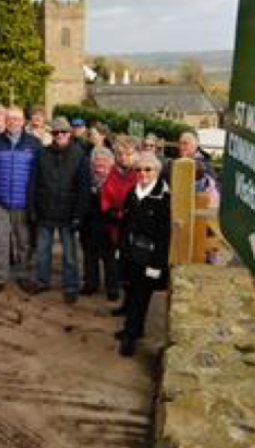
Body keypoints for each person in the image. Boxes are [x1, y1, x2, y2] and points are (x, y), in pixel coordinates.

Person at [0, 105, 43, 296]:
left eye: (17, 119)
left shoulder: (34, 143)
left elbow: (40, 174)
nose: (13, 122)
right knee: (0, 241)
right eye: (10, 119)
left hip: (24, 203)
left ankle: (23, 275)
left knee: (24, 241)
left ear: (23, 121)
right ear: (5, 121)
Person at [115, 152, 171, 357]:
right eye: (139, 169)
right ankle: (134, 329)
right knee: (130, 292)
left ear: (157, 171)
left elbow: (165, 234)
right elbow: (125, 224)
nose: (143, 173)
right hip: (130, 252)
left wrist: (157, 263)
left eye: (148, 169)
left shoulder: (164, 198)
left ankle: (130, 337)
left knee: (141, 296)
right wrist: (120, 248)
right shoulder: (132, 192)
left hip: (148, 257)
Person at [30, 117, 90, 303]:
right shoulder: (41, 153)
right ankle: (42, 281)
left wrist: (79, 215)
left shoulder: (79, 155)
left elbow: (84, 188)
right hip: (45, 209)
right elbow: (33, 182)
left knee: (70, 255)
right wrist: (32, 207)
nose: (59, 136)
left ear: (69, 134)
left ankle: (71, 286)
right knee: (42, 252)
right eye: (55, 133)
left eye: (63, 132)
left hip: (68, 213)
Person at [102, 136, 140, 307]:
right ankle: (113, 288)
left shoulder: (140, 174)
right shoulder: (112, 173)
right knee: (112, 258)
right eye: (120, 154)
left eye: (128, 154)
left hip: (133, 225)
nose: (124, 157)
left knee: (131, 263)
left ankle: (131, 295)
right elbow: (106, 195)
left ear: (136, 154)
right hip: (114, 223)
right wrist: (110, 210)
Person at [79, 146, 120, 300]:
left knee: (110, 260)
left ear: (111, 163)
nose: (100, 164)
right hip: (89, 225)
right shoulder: (87, 178)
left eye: (104, 160)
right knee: (90, 257)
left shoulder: (115, 179)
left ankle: (112, 288)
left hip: (109, 226)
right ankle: (90, 284)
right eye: (97, 160)